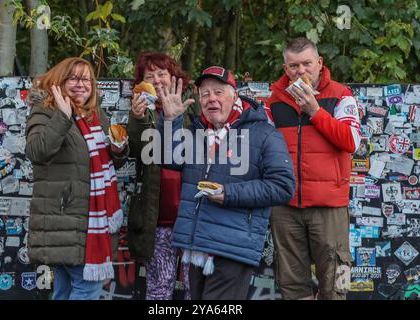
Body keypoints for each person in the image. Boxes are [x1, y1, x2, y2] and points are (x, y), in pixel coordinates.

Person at [156, 66, 295, 300]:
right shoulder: (197, 132)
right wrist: (170, 120)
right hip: (196, 243)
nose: (212, 99)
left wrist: (228, 193)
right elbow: (167, 159)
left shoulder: (264, 134)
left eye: (218, 92)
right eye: (205, 94)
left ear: (234, 96)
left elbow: (283, 186)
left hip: (232, 247)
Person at [265, 37, 362, 300]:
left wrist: (315, 111)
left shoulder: (341, 95)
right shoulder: (273, 101)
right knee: (292, 285)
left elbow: (352, 141)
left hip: (329, 206)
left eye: (307, 64)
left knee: (336, 284)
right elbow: (262, 150)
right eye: (294, 66)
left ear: (319, 63)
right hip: (285, 206)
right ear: (286, 69)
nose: (301, 71)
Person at [25, 57, 129, 300]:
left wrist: (118, 149)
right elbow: (36, 151)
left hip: (85, 225)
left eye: (86, 79)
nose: (80, 84)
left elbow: (104, 163)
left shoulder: (95, 116)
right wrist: (63, 116)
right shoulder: (45, 110)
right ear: (59, 82)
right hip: (65, 221)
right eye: (73, 78)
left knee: (65, 292)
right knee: (87, 290)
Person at [126, 52, 200, 300]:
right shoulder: (141, 110)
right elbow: (138, 152)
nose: (157, 80)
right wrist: (136, 120)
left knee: (195, 287)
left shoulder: (194, 103)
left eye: (161, 74)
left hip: (194, 214)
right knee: (159, 286)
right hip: (156, 215)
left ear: (174, 77)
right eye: (150, 76)